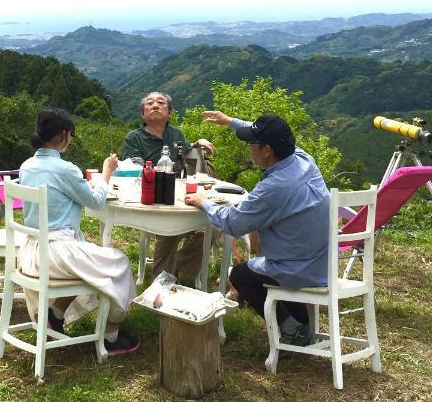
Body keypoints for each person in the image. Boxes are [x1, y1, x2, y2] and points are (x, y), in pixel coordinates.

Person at [184, 110, 329, 346]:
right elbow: (269, 134)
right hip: (321, 261)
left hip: (296, 268)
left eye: (251, 143)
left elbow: (232, 223)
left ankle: (291, 330)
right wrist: (231, 121)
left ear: (267, 150)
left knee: (240, 275)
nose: (248, 147)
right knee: (263, 267)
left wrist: (203, 202)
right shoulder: (303, 159)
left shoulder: (274, 187)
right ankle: (302, 322)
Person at [18, 107, 140, 356]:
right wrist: (107, 172)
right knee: (119, 262)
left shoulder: (27, 165)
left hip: (31, 250)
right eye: (70, 137)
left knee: (90, 262)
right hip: (57, 253)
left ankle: (55, 315)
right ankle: (111, 334)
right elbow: (95, 201)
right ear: (63, 135)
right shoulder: (65, 169)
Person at [119, 91, 215, 281]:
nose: (155, 105)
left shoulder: (176, 134)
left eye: (161, 103)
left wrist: (198, 143)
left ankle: (178, 269)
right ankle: (161, 282)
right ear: (142, 114)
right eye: (149, 103)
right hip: (149, 199)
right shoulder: (134, 138)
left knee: (213, 228)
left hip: (178, 196)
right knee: (170, 228)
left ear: (169, 112)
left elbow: (186, 151)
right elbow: (133, 169)